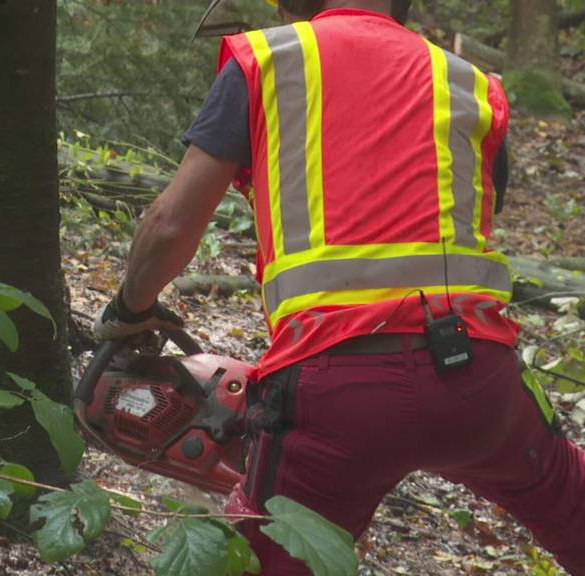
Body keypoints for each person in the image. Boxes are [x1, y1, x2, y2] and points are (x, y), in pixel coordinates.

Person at [92, 0, 585, 573]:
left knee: (264, 557)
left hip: (338, 383)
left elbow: (170, 227)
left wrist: (131, 307)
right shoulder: (469, 82)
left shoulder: (269, 59)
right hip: (479, 375)